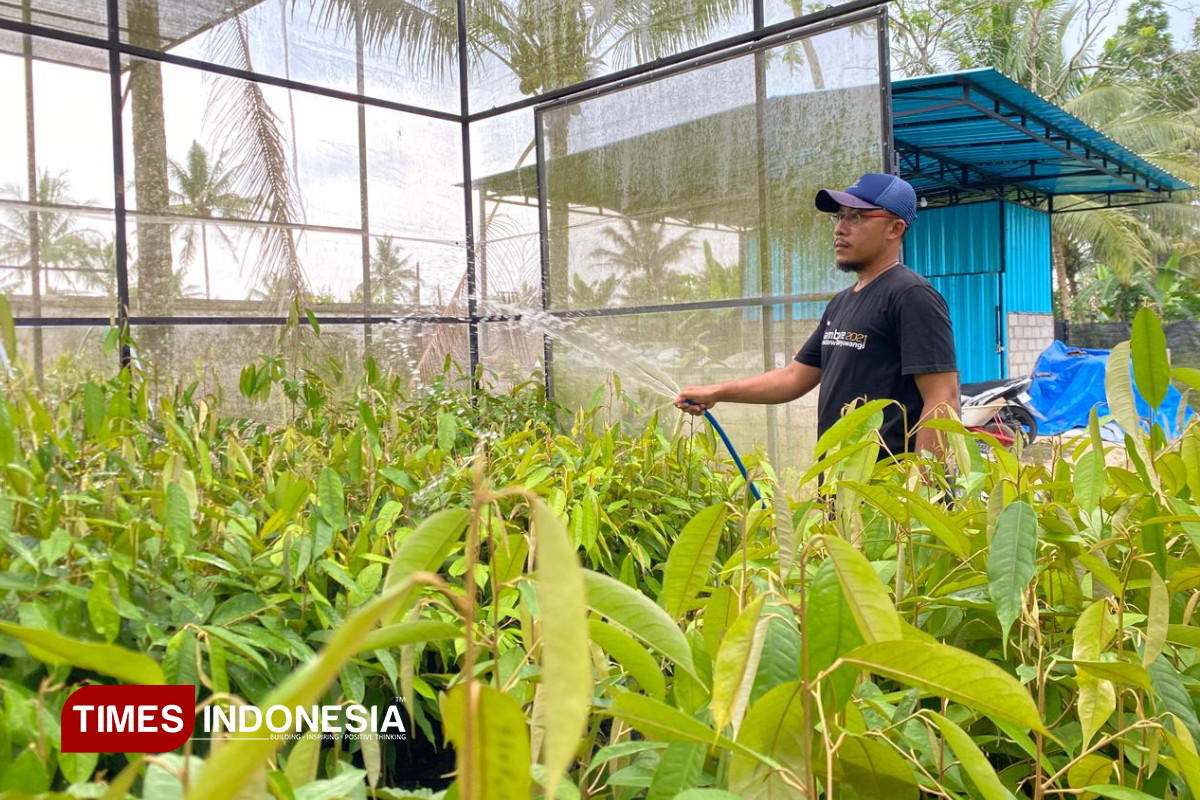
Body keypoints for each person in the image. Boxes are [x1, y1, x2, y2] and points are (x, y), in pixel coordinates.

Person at [675, 173, 959, 462]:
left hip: (889, 494)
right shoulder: (842, 303)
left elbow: (942, 400)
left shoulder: (911, 295)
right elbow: (794, 377)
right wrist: (717, 391)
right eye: (839, 217)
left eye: (856, 217)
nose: (839, 229)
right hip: (842, 487)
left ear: (895, 228)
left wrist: (922, 492)